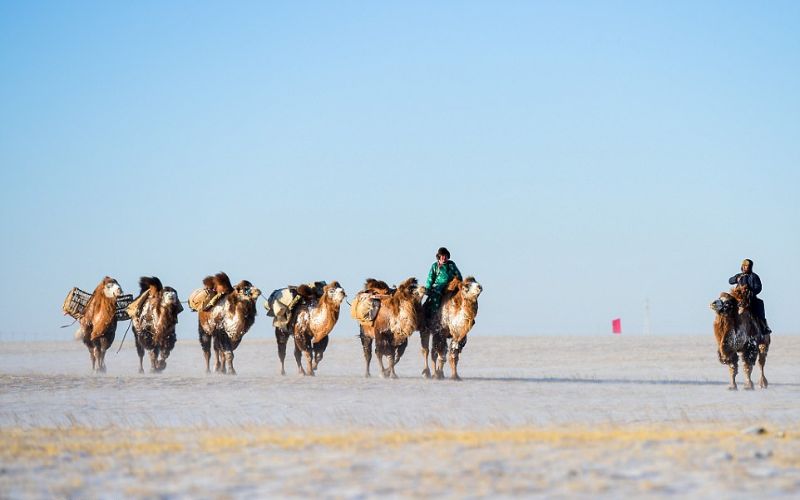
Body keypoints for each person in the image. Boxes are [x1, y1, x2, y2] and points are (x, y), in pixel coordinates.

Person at [729, 258, 771, 334]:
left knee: (759, 304)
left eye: (748, 266)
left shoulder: (754, 276)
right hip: (738, 297)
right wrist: (736, 279)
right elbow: (730, 281)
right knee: (727, 302)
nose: (746, 268)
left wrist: (751, 292)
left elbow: (758, 287)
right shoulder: (739, 276)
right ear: (742, 266)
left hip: (750, 298)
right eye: (745, 266)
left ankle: (763, 326)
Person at [424, 247, 463, 314]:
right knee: (436, 295)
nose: (444, 257)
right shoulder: (435, 266)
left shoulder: (451, 264)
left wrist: (459, 282)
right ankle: (434, 313)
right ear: (439, 256)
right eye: (442, 255)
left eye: (445, 255)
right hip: (439, 286)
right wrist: (428, 288)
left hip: (451, 285)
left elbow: (458, 275)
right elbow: (430, 278)